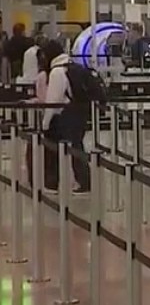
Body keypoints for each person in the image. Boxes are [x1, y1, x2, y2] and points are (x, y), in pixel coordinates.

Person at [41, 40, 94, 192]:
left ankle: (52, 182)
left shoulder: (57, 72)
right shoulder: (73, 66)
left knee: (53, 149)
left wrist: (45, 123)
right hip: (79, 112)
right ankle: (84, 181)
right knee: (77, 146)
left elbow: (53, 100)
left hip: (63, 115)